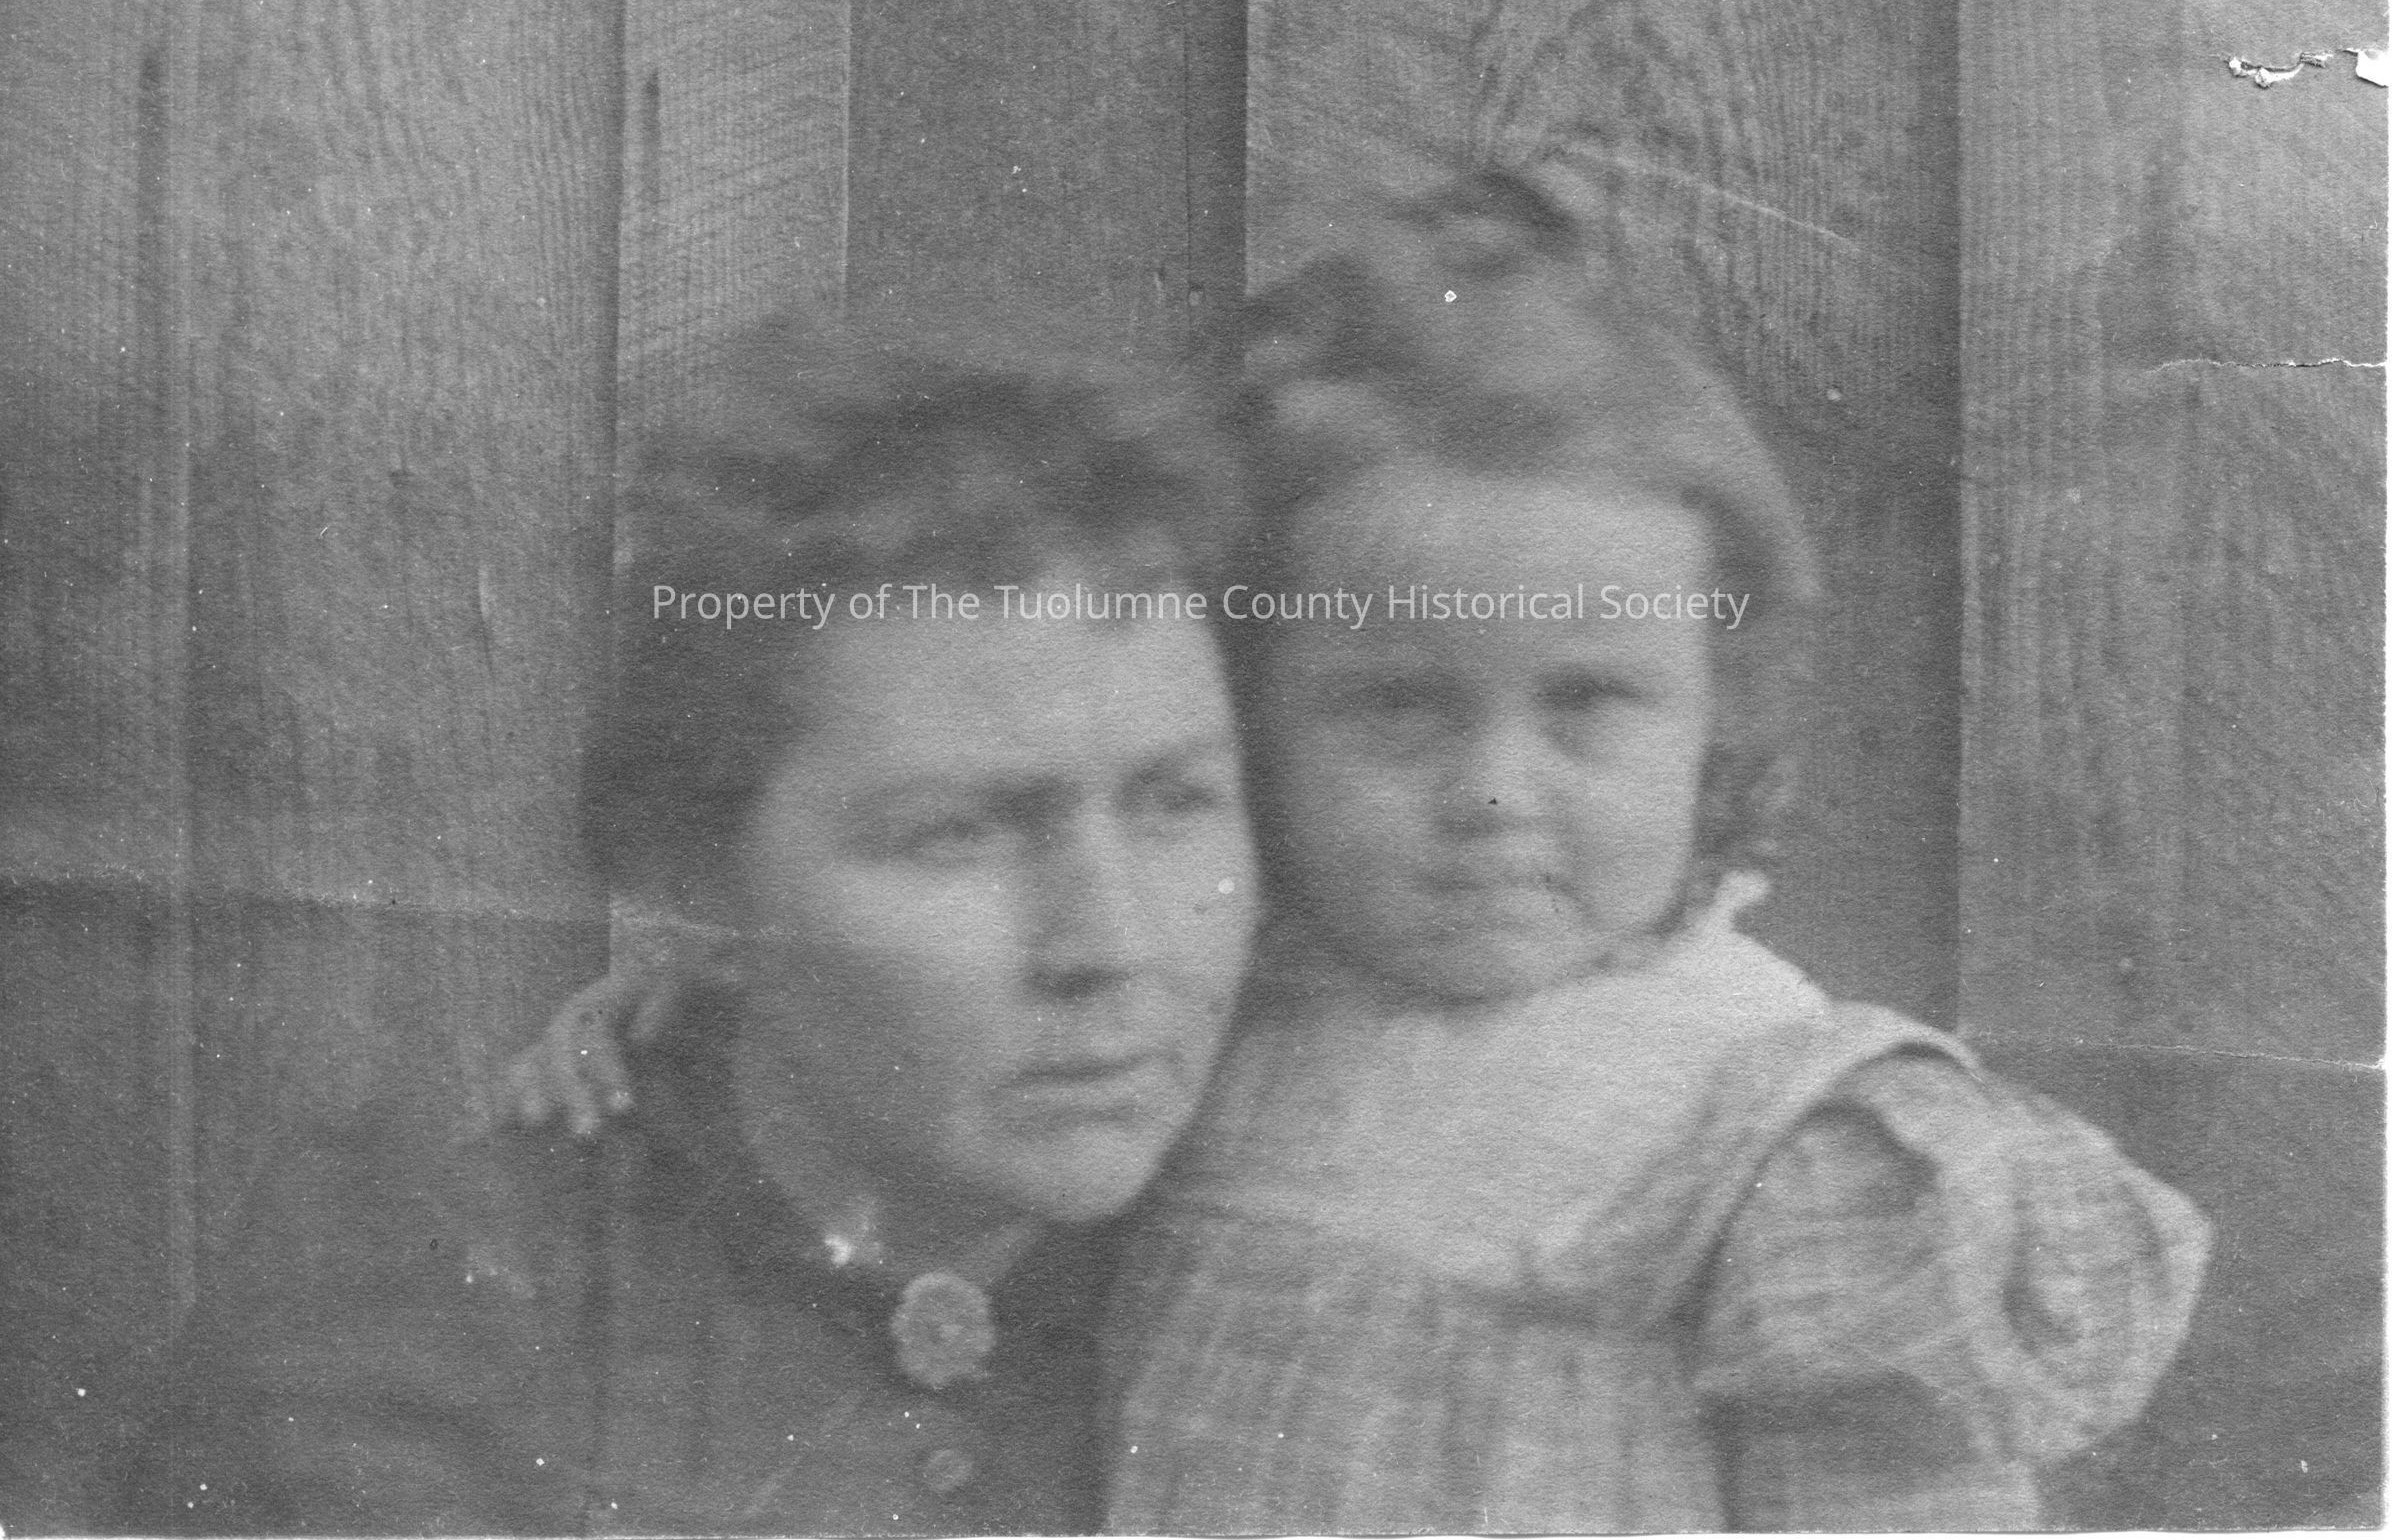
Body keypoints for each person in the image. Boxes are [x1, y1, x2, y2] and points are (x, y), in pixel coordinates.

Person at [511, 166, 2212, 1532]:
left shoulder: (1782, 1128)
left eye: (1588, 703)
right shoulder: (1236, 1002)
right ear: (1261, 714)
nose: (1494, 792)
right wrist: (674, 991)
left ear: (1718, 713)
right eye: (1400, 709)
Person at [109, 317, 1263, 1535]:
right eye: (957, 832)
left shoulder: (1303, 1228)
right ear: (700, 879)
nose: (1113, 944)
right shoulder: (419, 1314)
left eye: (1175, 801)